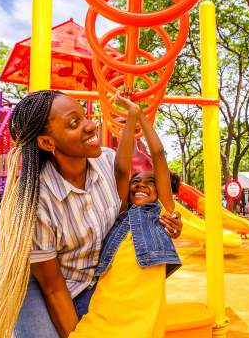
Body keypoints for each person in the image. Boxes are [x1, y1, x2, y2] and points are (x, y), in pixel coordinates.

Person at [0, 90, 183, 338]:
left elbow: (137, 215)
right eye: (75, 123)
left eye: (84, 116)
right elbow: (53, 289)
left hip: (93, 278)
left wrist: (166, 225)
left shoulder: (108, 164)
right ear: (48, 143)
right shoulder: (35, 203)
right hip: (48, 285)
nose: (91, 126)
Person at [70, 98, 180, 337]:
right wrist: (129, 117)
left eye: (150, 182)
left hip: (140, 305)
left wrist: (139, 115)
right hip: (109, 299)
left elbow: (158, 155)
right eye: (136, 182)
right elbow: (121, 167)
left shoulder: (162, 208)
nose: (141, 185)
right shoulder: (121, 210)